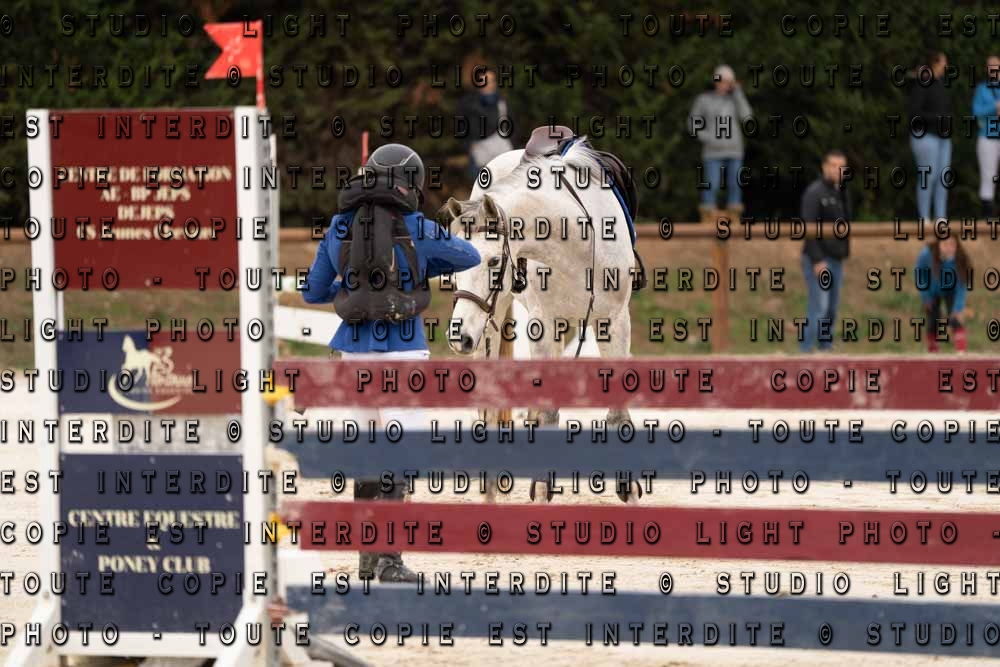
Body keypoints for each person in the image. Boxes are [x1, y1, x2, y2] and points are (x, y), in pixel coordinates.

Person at [303, 143, 481, 582]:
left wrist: (356, 290)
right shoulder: (418, 226)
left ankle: (367, 558)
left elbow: (313, 291)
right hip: (404, 351)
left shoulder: (340, 225)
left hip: (353, 354)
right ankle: (389, 560)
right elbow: (470, 256)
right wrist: (415, 271)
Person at [800, 150, 851, 354]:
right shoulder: (814, 192)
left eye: (842, 167)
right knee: (818, 306)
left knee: (831, 308)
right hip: (820, 257)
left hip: (836, 258)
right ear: (824, 167)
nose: (838, 170)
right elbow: (808, 227)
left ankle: (825, 348)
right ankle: (806, 350)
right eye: (834, 165)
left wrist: (843, 253)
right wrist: (817, 260)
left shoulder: (842, 193)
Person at [689, 64, 753, 221]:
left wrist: (738, 93)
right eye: (722, 81)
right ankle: (708, 216)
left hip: (734, 150)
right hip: (712, 151)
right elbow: (693, 123)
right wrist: (707, 137)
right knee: (712, 184)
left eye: (728, 82)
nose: (724, 84)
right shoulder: (704, 100)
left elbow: (747, 117)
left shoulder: (735, 100)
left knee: (735, 184)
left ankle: (734, 216)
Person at [909, 51, 952, 222]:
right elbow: (914, 114)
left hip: (943, 138)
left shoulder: (941, 84)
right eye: (943, 62)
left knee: (943, 177)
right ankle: (924, 216)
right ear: (935, 63)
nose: (946, 66)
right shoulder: (922, 84)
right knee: (928, 175)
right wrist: (937, 118)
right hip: (925, 136)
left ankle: (941, 216)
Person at [457, 67, 515, 179]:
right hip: (479, 156)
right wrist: (468, 146)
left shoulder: (503, 103)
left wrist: (512, 144)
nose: (488, 85)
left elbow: (513, 127)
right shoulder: (467, 104)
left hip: (503, 153)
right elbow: (460, 128)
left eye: (491, 81)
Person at [915, 234, 969, 353]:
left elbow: (961, 287)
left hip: (951, 289)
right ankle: (933, 349)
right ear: (938, 245)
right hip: (932, 290)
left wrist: (958, 308)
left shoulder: (960, 259)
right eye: (945, 244)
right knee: (933, 319)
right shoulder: (927, 254)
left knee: (955, 318)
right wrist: (925, 296)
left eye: (952, 245)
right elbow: (919, 272)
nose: (949, 248)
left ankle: (961, 350)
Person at [972, 55, 1000, 217]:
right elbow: (977, 112)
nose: (994, 69)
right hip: (988, 136)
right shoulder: (982, 88)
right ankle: (988, 216)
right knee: (988, 175)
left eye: (997, 65)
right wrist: (994, 107)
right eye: (991, 66)